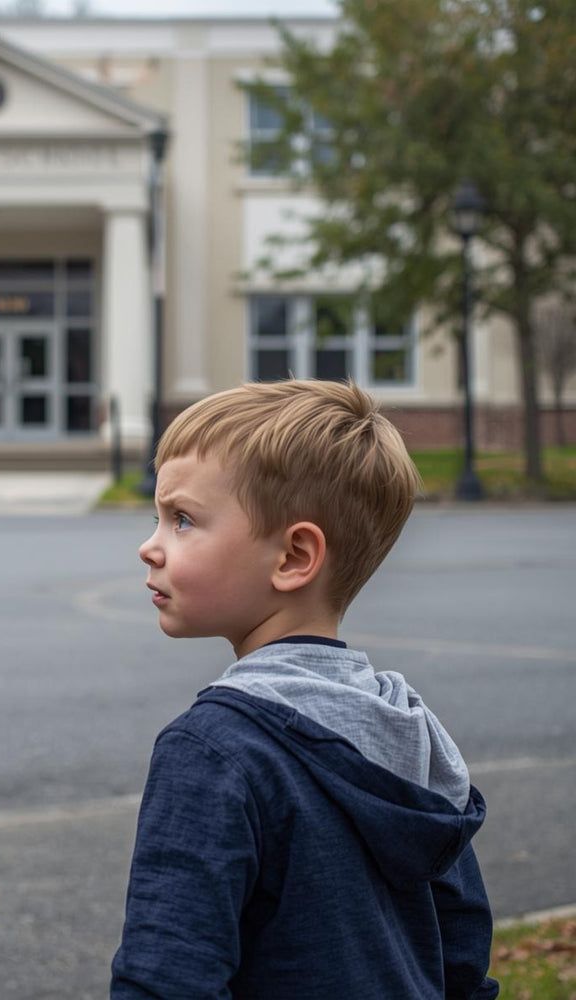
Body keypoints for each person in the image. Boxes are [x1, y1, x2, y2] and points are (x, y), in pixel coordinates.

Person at [110, 379, 498, 1000]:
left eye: (182, 519)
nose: (148, 547)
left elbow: (165, 979)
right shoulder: (411, 735)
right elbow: (463, 963)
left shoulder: (213, 751)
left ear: (293, 557)